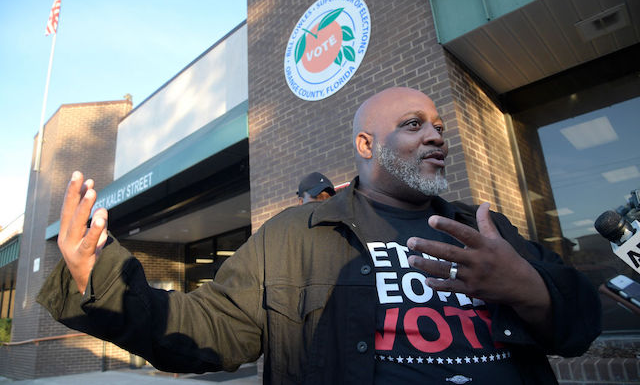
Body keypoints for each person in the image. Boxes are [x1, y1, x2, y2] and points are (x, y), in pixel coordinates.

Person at [38, 87, 601, 384]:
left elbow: (581, 324)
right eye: (413, 125)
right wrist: (100, 279)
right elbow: (206, 330)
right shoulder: (294, 237)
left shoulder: (487, 228)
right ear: (364, 145)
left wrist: (527, 285)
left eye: (438, 126)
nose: (435, 135)